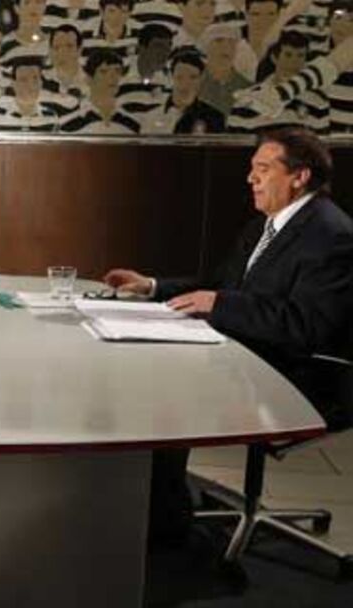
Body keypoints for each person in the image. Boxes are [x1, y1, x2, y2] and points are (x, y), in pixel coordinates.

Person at [103, 127, 353, 540]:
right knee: (146, 366)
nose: (250, 178)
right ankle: (152, 506)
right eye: (252, 168)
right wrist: (151, 286)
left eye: (263, 169)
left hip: (299, 376)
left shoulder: (332, 235)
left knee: (163, 386)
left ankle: (166, 524)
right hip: (248, 356)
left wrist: (219, 304)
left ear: (300, 176)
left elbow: (306, 325)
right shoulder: (265, 226)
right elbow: (219, 287)